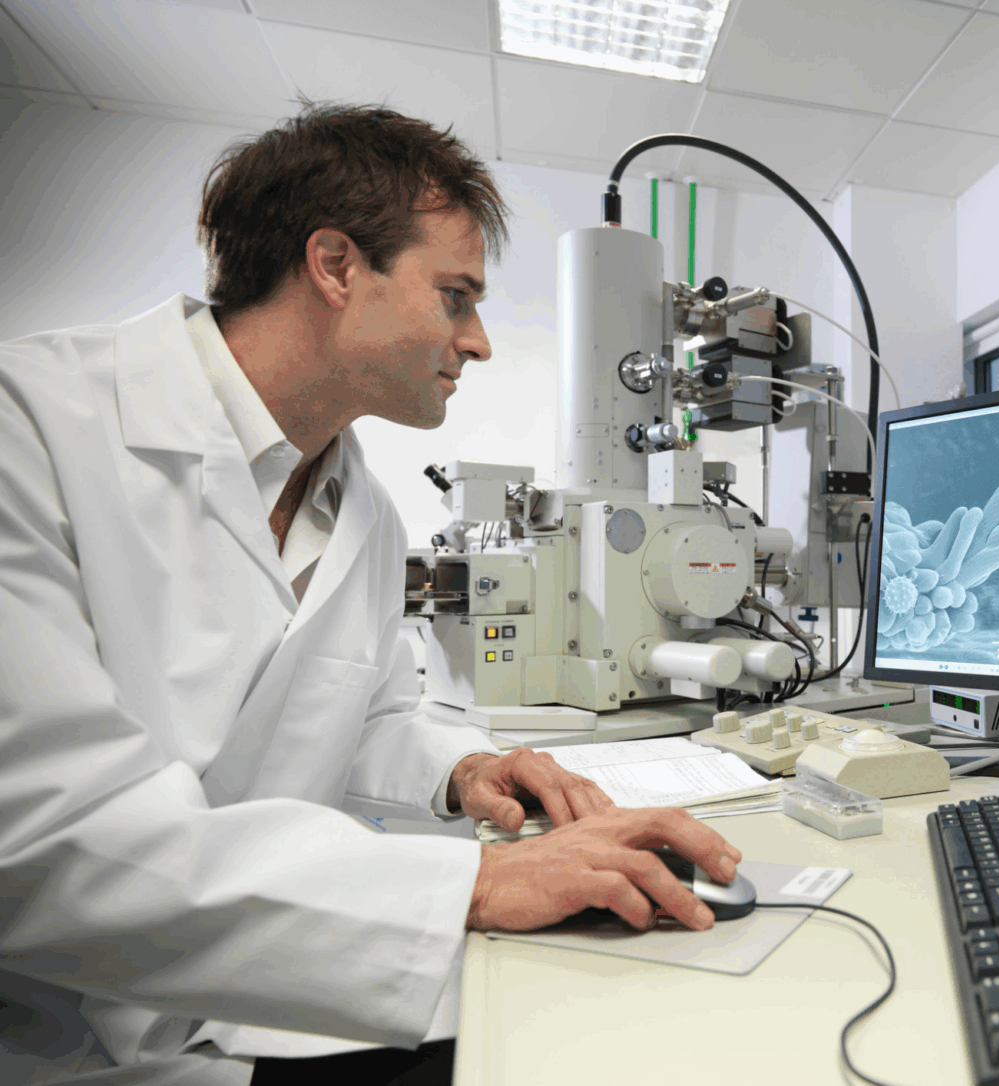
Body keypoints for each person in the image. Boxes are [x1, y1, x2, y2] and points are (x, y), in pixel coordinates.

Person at [0, 104, 743, 1086]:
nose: (477, 341)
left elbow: (371, 711)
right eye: (455, 297)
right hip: (65, 1047)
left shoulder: (363, 509)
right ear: (337, 265)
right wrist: (474, 881)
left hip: (251, 1006)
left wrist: (467, 770)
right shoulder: (34, 431)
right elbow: (47, 846)